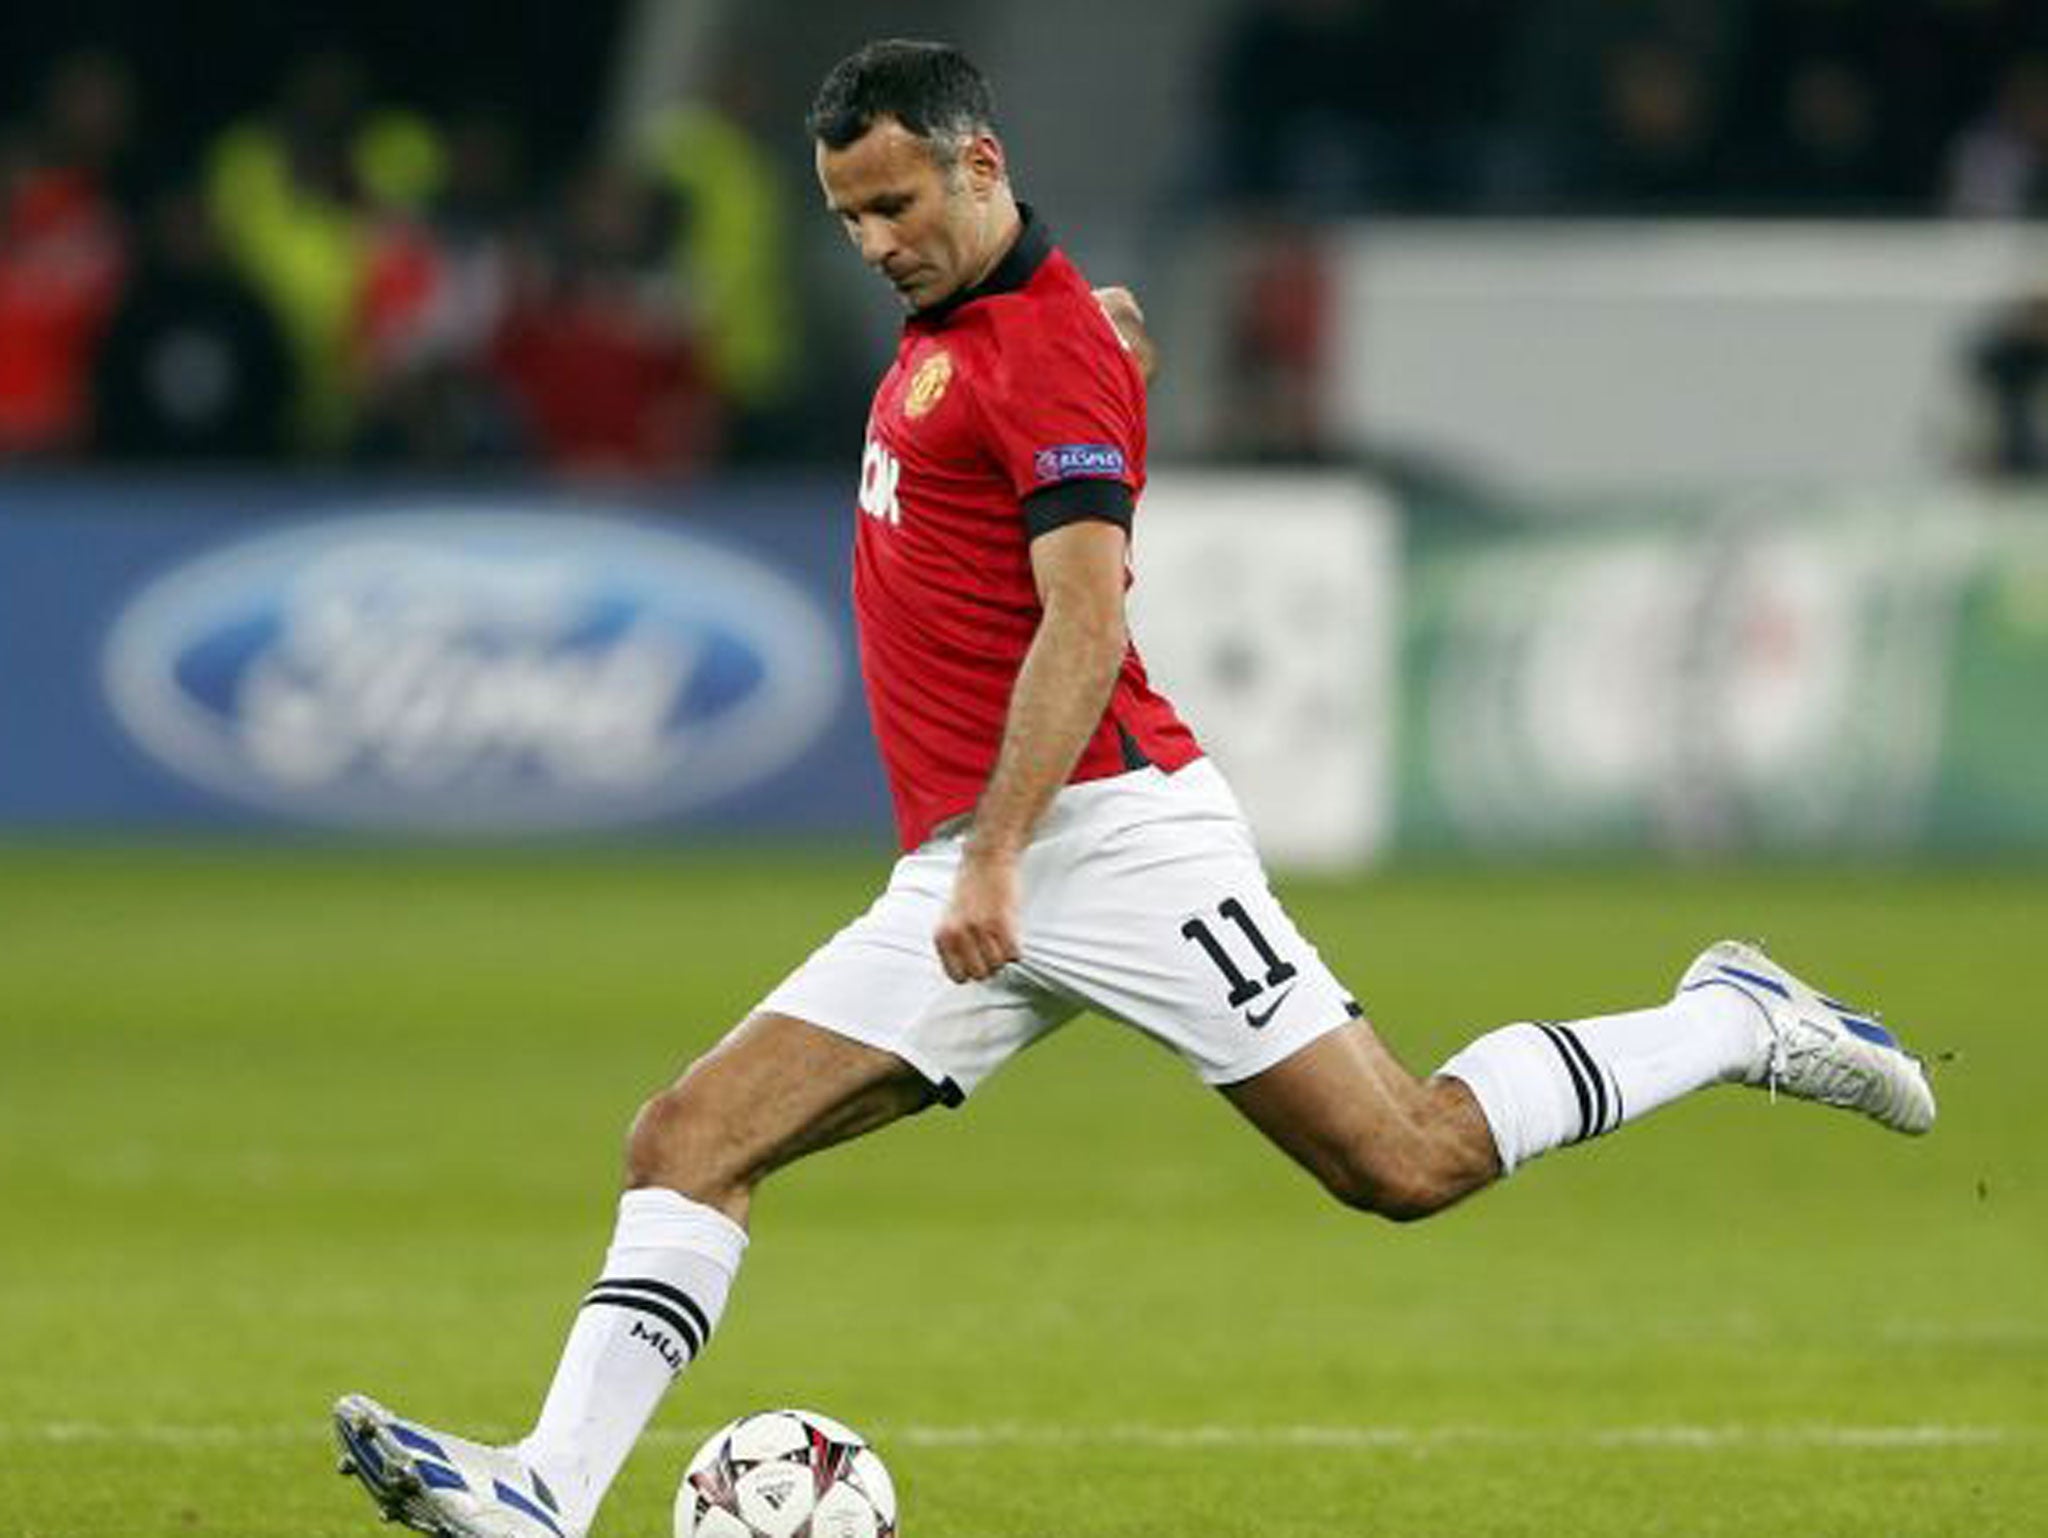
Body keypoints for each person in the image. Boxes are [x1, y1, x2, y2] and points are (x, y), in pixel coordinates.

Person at [330, 40, 1936, 1538]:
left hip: (1114, 840)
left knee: (1407, 1156)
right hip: (980, 864)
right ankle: (545, 1485)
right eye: (846, 217)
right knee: (687, 1138)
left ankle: (1735, 1017)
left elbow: (1086, 621)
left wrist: (1001, 857)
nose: (873, 241)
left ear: (980, 165)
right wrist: (1104, 352)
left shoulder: (1036, 348)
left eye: (893, 204)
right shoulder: (995, 324)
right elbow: (1060, 394)